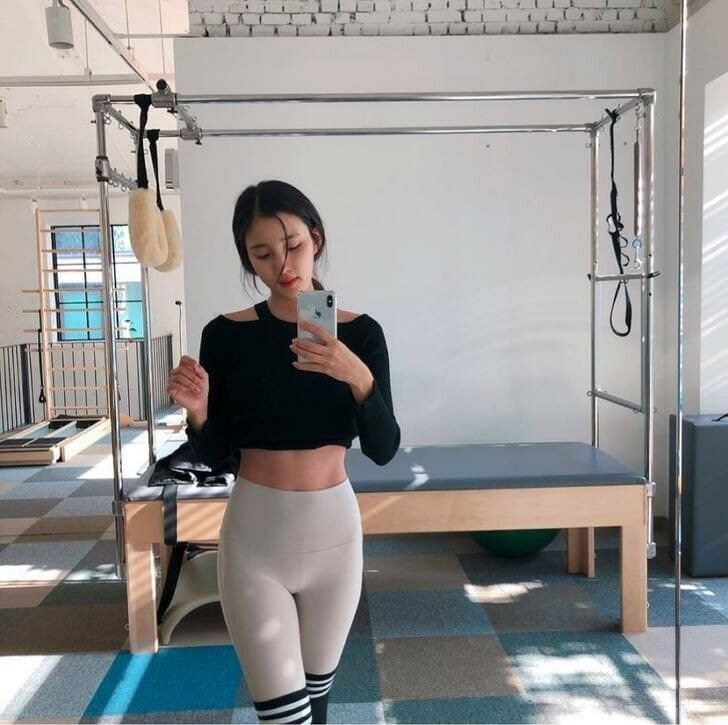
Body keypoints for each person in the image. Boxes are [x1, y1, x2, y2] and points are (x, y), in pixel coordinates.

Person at [167, 180, 401, 724]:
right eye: (263, 253)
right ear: (247, 258)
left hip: (335, 539)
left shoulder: (362, 336)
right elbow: (217, 458)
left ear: (315, 237)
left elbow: (385, 448)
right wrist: (198, 413)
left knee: (316, 706)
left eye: (293, 244)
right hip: (255, 539)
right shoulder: (225, 335)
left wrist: (358, 378)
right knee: (284, 717)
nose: (283, 265)